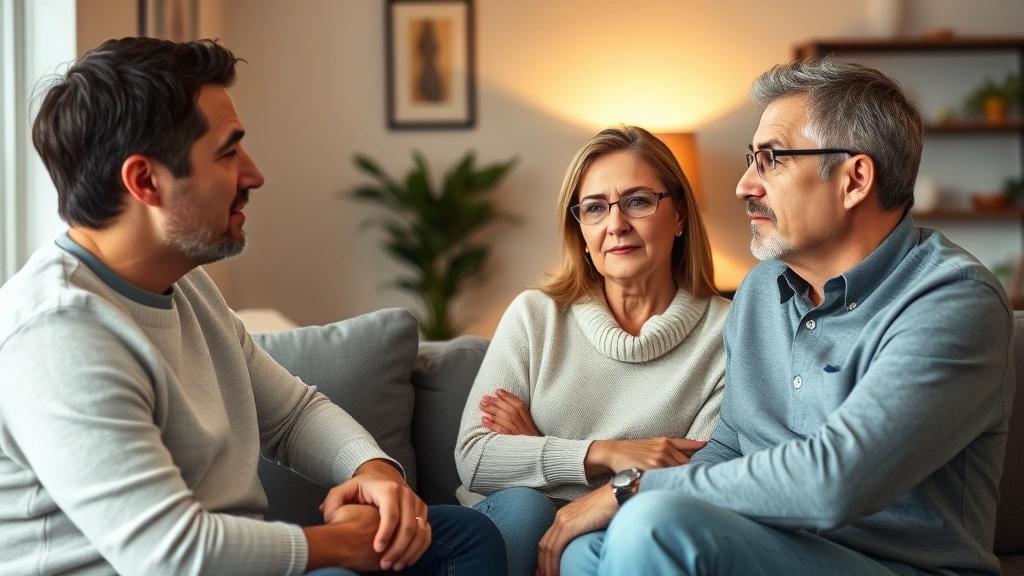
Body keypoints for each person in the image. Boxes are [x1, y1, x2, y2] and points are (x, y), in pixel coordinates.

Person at [0, 37, 505, 576]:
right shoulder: (56, 333)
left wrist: (375, 468)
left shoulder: (185, 284)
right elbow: (170, 554)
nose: (253, 174)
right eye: (227, 152)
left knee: (462, 537)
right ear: (145, 180)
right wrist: (338, 547)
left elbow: (292, 416)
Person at [542, 59, 1014, 576]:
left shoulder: (951, 299)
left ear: (855, 179)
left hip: (898, 566)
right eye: (752, 159)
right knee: (588, 548)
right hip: (771, 548)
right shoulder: (762, 290)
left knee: (648, 523)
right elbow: (728, 445)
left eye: (771, 160)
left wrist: (634, 489)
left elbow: (837, 481)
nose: (745, 185)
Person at [454, 126, 731, 576]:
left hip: (627, 535)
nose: (616, 224)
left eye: (638, 201)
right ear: (580, 230)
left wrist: (537, 449)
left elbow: (697, 477)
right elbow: (476, 458)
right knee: (527, 512)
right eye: (596, 208)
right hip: (514, 528)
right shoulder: (536, 315)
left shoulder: (728, 332)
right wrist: (605, 454)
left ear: (679, 214)